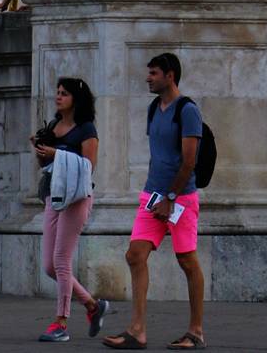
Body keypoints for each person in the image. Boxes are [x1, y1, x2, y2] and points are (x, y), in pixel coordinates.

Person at [103, 53, 205, 351]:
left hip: (180, 198)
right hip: (153, 196)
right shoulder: (153, 108)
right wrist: (156, 195)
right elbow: (158, 155)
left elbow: (189, 161)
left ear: (170, 76)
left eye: (154, 73)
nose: (148, 78)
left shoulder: (187, 110)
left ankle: (196, 331)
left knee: (187, 261)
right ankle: (137, 331)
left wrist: (171, 198)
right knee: (135, 255)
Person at [32, 77, 110, 343]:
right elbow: (45, 165)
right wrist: (41, 150)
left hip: (76, 198)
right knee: (49, 266)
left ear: (77, 99)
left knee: (61, 261)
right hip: (53, 195)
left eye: (64, 93)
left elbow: (89, 166)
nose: (58, 96)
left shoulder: (87, 129)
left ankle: (61, 323)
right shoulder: (54, 125)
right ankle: (92, 306)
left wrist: (57, 154)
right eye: (57, 92)